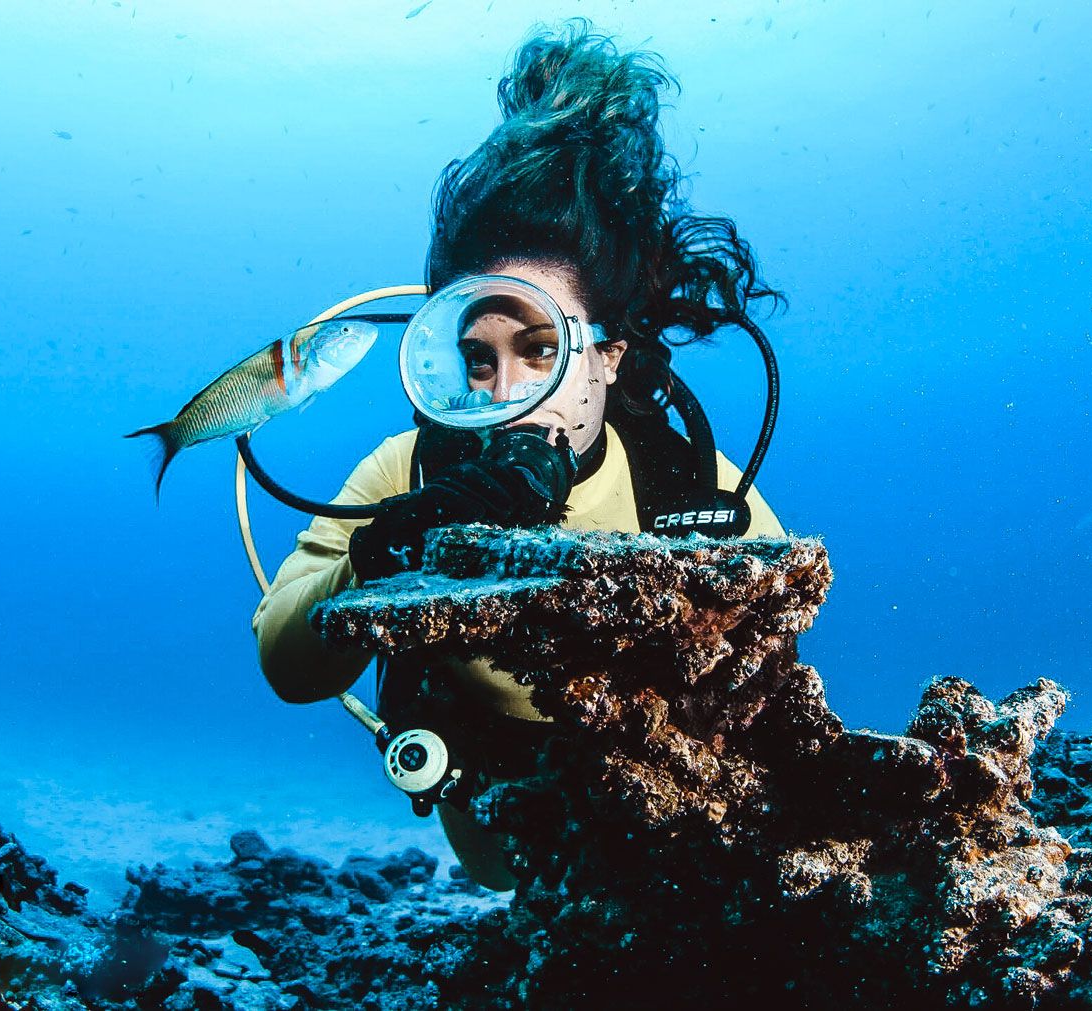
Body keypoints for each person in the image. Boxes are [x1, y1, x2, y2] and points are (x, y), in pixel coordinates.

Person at [252, 22, 786, 890]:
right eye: (477, 358)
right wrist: (380, 555)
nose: (504, 394)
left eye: (540, 351)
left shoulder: (681, 485)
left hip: (681, 844)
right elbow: (285, 662)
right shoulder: (405, 473)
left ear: (609, 356)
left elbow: (784, 639)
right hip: (503, 842)